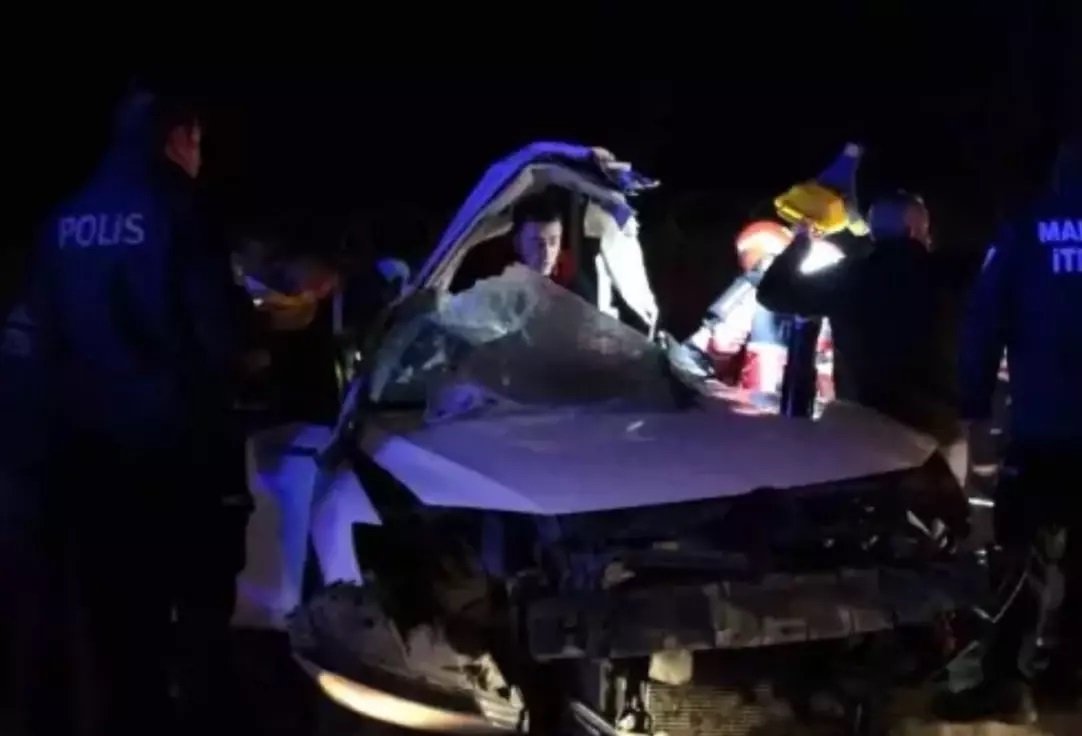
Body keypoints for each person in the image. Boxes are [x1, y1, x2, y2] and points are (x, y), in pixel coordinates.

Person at [26, 88, 251, 734]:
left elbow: (46, 338)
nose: (200, 156)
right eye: (198, 141)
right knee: (201, 603)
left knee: (119, 619)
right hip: (177, 451)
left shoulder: (64, 219)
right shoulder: (180, 209)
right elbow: (218, 337)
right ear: (179, 137)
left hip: (92, 453)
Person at [934, 136, 1082, 723]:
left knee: (1019, 555)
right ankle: (1065, 679)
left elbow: (984, 318)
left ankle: (1003, 681)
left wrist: (972, 399)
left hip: (1043, 427)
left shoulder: (1024, 232)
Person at [756, 191, 966, 481]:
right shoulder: (951, 276)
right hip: (935, 428)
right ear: (915, 229)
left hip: (864, 425)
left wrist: (802, 241)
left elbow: (772, 292)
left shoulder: (849, 276)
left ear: (874, 232)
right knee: (941, 505)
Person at [451, 193, 571, 292]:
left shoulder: (566, 270)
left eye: (553, 241)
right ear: (517, 241)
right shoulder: (487, 271)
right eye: (537, 242)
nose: (547, 253)